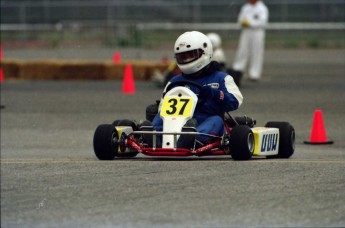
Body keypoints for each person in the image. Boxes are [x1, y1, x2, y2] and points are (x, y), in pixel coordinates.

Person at [142, 31, 243, 149]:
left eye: (190, 55)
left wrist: (214, 94)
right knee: (160, 115)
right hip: (176, 121)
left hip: (206, 119)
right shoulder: (174, 81)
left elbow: (236, 100)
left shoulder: (221, 78)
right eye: (182, 57)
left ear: (205, 53)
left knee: (216, 120)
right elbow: (163, 107)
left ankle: (192, 138)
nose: (186, 60)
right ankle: (154, 137)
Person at [230, 0, 269, 81]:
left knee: (256, 52)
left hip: (257, 32)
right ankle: (238, 69)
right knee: (242, 50)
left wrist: (250, 23)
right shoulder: (245, 7)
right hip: (246, 31)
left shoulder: (262, 8)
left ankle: (254, 74)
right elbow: (240, 19)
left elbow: (263, 21)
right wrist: (243, 22)